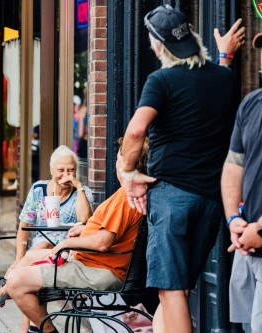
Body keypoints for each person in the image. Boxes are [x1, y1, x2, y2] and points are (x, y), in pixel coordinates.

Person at [119, 6, 245, 332]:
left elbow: (135, 131)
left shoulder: (161, 80)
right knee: (177, 290)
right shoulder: (224, 78)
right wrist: (225, 57)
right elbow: (209, 85)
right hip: (210, 199)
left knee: (171, 290)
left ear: (160, 46)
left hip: (172, 196)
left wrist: (129, 172)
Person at [0, 138, 148, 333]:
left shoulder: (125, 197)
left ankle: (37, 325)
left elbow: (103, 242)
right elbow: (108, 232)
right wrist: (84, 231)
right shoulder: (128, 194)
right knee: (31, 259)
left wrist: (68, 243)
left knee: (17, 281)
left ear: (127, 162)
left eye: (118, 157)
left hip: (96, 268)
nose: (116, 162)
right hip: (90, 263)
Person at [10, 145, 94, 332]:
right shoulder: (39, 189)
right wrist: (18, 258)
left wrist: (79, 186)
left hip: (67, 255)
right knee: (41, 247)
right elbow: (25, 225)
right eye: (61, 170)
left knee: (28, 276)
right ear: (51, 170)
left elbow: (84, 220)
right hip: (40, 252)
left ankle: (0, 297)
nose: (66, 175)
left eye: (71, 170)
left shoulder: (83, 192)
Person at [221, 85, 262, 332]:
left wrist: (259, 229)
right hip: (246, 242)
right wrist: (233, 219)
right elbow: (234, 164)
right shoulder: (252, 102)